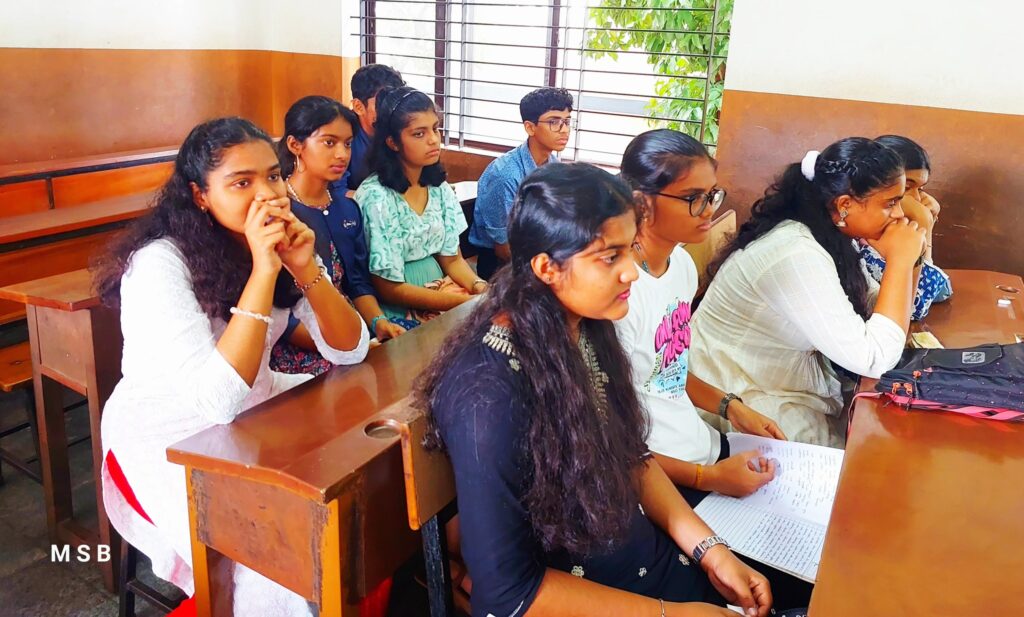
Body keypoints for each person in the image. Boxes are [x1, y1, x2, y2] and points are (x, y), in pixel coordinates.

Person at [415, 162, 773, 617]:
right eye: (610, 257)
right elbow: (507, 596)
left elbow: (630, 455)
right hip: (588, 594)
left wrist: (711, 551)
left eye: (630, 249)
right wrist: (674, 615)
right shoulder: (489, 393)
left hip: (638, 556)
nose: (632, 273)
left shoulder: (585, 327)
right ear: (547, 267)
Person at [94, 117, 369, 615]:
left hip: (254, 405)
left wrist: (306, 269)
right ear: (200, 195)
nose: (267, 195)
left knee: (356, 480)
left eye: (273, 176)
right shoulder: (159, 264)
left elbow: (350, 350)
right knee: (276, 560)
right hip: (171, 433)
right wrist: (264, 272)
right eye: (242, 183)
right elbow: (215, 401)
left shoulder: (279, 241)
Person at [690, 137, 926, 447]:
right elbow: (875, 358)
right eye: (890, 203)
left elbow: (875, 307)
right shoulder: (795, 253)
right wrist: (900, 260)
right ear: (845, 205)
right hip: (741, 395)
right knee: (872, 449)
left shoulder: (831, 233)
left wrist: (911, 258)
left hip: (781, 381)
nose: (899, 214)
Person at [616, 129, 785, 504]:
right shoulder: (618, 292)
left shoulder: (681, 266)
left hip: (698, 446)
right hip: (659, 475)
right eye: (693, 198)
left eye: (711, 195)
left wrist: (732, 408)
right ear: (642, 203)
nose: (708, 209)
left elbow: (667, 370)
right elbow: (611, 441)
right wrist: (708, 478)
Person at [271, 95, 411, 374]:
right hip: (300, 342)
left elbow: (357, 283)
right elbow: (280, 312)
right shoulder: (279, 212)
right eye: (329, 142)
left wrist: (377, 322)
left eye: (347, 144)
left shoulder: (347, 208)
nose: (342, 154)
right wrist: (349, 346)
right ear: (295, 145)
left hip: (348, 330)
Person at [356, 86, 486, 324]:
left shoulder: (439, 188)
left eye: (435, 129)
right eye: (419, 134)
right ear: (393, 142)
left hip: (442, 290)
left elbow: (452, 259)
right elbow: (389, 289)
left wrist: (479, 287)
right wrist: (462, 303)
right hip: (400, 306)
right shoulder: (376, 197)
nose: (433, 139)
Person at [468, 87, 574, 279]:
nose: (564, 129)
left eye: (566, 121)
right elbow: (502, 248)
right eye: (554, 122)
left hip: (538, 254)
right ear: (530, 127)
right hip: (501, 265)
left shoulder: (555, 167)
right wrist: (548, 273)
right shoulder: (505, 175)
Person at [859, 135, 951, 320]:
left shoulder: (894, 227)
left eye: (921, 189)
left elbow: (941, 291)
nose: (917, 198)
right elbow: (914, 307)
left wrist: (924, 229)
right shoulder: (860, 235)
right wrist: (923, 223)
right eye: (907, 187)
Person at [345, 63, 405, 190]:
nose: (391, 109)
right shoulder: (343, 135)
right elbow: (336, 192)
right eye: (382, 102)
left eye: (396, 102)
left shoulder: (403, 130)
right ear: (359, 107)